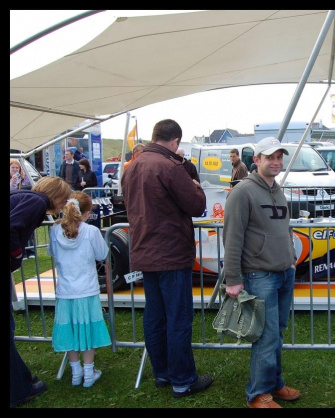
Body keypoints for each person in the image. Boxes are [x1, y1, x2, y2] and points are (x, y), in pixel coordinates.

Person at [121, 119, 213, 398]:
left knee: (155, 316)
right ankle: (182, 379)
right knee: (177, 318)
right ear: (174, 141)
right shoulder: (169, 166)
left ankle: (162, 372)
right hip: (170, 253)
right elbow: (197, 205)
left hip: (144, 250)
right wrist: (196, 185)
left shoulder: (132, 166)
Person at [222, 137, 300, 409]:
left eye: (279, 156)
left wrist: (290, 259)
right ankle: (257, 394)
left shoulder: (278, 190)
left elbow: (286, 228)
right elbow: (232, 237)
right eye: (270, 157)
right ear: (257, 160)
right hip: (259, 275)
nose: (276, 162)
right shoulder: (242, 192)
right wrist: (232, 279)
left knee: (277, 333)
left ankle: (274, 384)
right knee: (266, 336)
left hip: (283, 273)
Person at [10, 176, 73, 407]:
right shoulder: (36, 202)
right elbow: (12, 227)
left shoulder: (22, 195)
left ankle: (22, 379)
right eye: (63, 200)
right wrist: (16, 255)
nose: (62, 207)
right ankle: (19, 390)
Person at [48, 192, 111, 388]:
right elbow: (102, 253)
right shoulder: (91, 231)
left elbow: (52, 252)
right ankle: (88, 372)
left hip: (65, 289)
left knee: (70, 329)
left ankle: (76, 372)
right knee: (88, 329)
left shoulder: (55, 230)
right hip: (87, 289)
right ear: (87, 212)